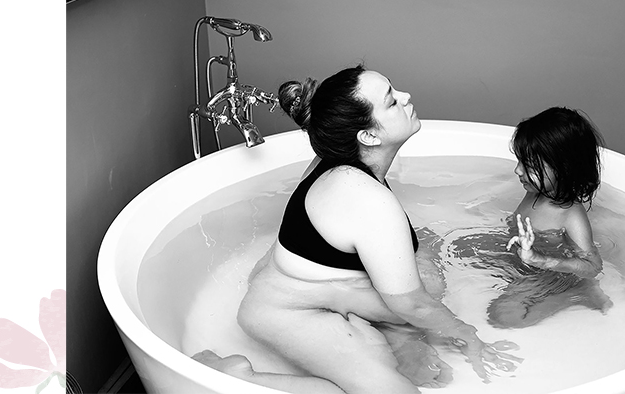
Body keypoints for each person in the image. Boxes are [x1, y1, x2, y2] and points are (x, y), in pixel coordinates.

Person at [194, 65, 519, 394]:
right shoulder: (366, 199)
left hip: (303, 292)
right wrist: (468, 335)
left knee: (427, 278)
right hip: (288, 313)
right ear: (369, 135)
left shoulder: (339, 159)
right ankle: (238, 377)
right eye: (392, 101)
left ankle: (388, 339)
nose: (406, 98)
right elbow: (412, 304)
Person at [491, 106, 613, 328]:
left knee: (503, 316)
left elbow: (593, 266)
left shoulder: (570, 216)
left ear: (563, 168)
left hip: (552, 276)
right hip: (523, 263)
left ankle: (577, 295)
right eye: (519, 161)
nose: (517, 171)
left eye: (528, 165)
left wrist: (541, 260)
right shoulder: (534, 192)